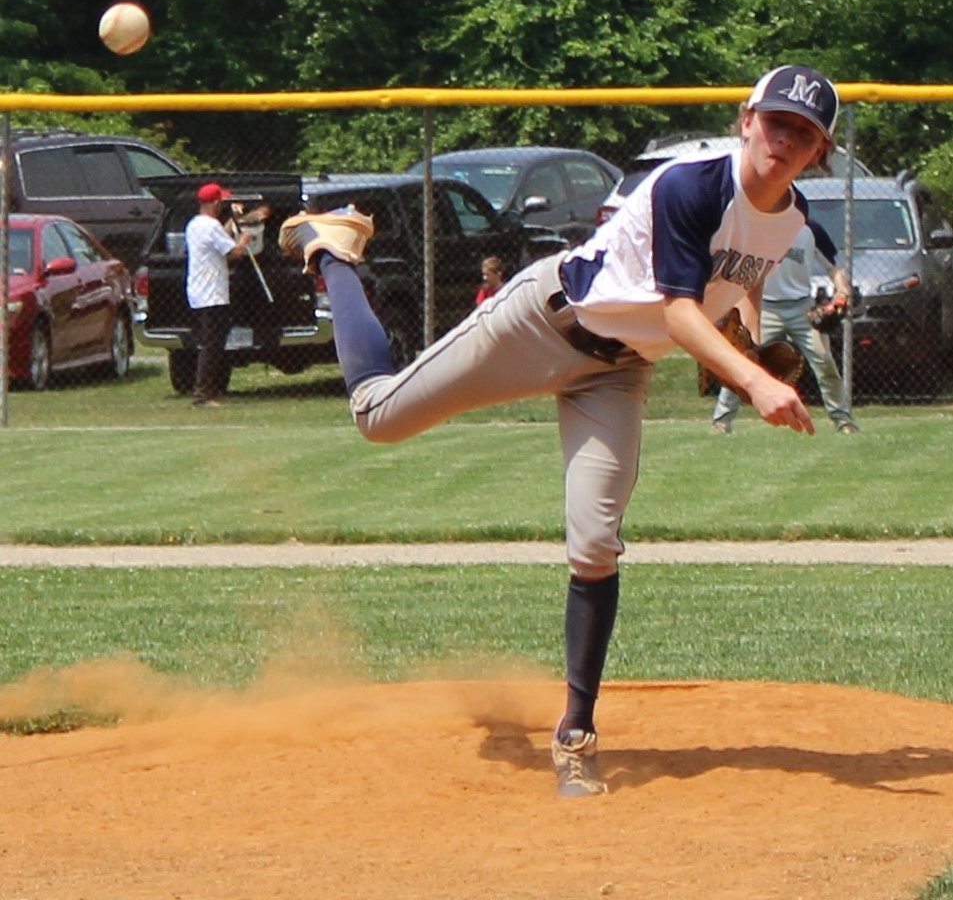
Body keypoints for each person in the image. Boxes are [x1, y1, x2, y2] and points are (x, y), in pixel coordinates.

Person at [279, 64, 837, 797]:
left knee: (595, 540)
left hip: (616, 371)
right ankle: (333, 250)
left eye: (804, 133)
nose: (785, 139)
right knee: (377, 418)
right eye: (776, 122)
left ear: (819, 151)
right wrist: (754, 378)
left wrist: (747, 335)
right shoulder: (689, 184)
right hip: (540, 321)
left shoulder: (792, 215)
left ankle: (575, 732)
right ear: (746, 119)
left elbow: (743, 276)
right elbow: (675, 311)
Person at [711, 219, 860, 434]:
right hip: (766, 308)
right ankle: (721, 420)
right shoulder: (756, 226)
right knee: (744, 360)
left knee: (823, 360)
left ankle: (843, 420)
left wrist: (842, 292)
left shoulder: (810, 229)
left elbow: (833, 268)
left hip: (802, 309)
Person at [185, 182, 254, 407]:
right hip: (211, 293)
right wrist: (244, 239)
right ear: (215, 202)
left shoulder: (195, 225)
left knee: (212, 342)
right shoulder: (210, 226)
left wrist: (230, 224)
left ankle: (211, 390)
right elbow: (234, 253)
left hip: (198, 292)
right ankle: (203, 394)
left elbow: (217, 241)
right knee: (212, 344)